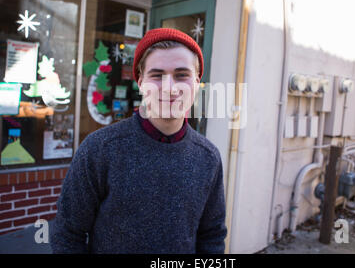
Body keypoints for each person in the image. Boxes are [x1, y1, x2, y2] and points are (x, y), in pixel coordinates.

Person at [50, 28, 227, 253]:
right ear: (141, 81)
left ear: (197, 81)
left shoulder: (208, 157)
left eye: (182, 75)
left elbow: (212, 236)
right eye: (157, 75)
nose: (169, 88)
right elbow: (67, 234)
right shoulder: (100, 149)